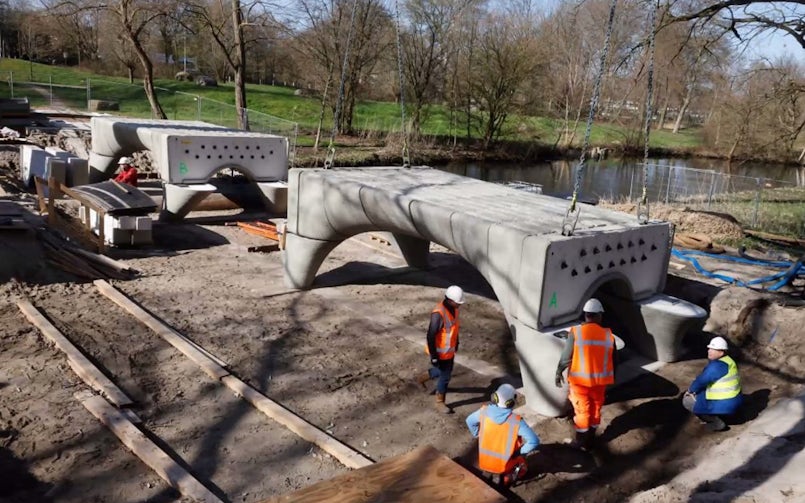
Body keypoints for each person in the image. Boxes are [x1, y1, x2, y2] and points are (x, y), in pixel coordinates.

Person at [554, 298, 616, 451]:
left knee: (582, 411)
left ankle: (581, 442)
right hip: (600, 382)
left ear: (586, 315)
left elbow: (565, 357)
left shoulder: (576, 332)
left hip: (580, 382)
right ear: (599, 316)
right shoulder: (609, 335)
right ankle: (591, 439)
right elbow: (615, 360)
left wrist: (558, 372)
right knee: (595, 408)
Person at [466, 383, 539, 488]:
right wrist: (519, 453)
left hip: (485, 461)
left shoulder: (483, 412)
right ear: (511, 402)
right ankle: (506, 478)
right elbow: (534, 441)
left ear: (495, 397)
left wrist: (478, 434)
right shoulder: (516, 422)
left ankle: (491, 472)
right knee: (523, 468)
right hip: (505, 463)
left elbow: (469, 421)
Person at [414, 285, 465, 413]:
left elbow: (454, 328)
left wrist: (456, 342)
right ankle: (440, 402)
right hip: (440, 353)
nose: (459, 305)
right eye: (457, 302)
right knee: (445, 376)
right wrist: (434, 356)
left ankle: (422, 377)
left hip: (449, 351)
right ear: (449, 300)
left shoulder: (454, 309)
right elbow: (430, 335)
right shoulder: (438, 314)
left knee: (441, 371)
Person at [683, 336, 742, 432]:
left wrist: (691, 390)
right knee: (702, 392)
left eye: (713, 349)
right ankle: (724, 415)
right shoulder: (729, 361)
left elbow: (701, 381)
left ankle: (715, 422)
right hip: (735, 400)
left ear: (721, 352)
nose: (709, 351)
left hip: (726, 404)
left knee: (687, 400)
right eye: (709, 348)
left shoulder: (717, 366)